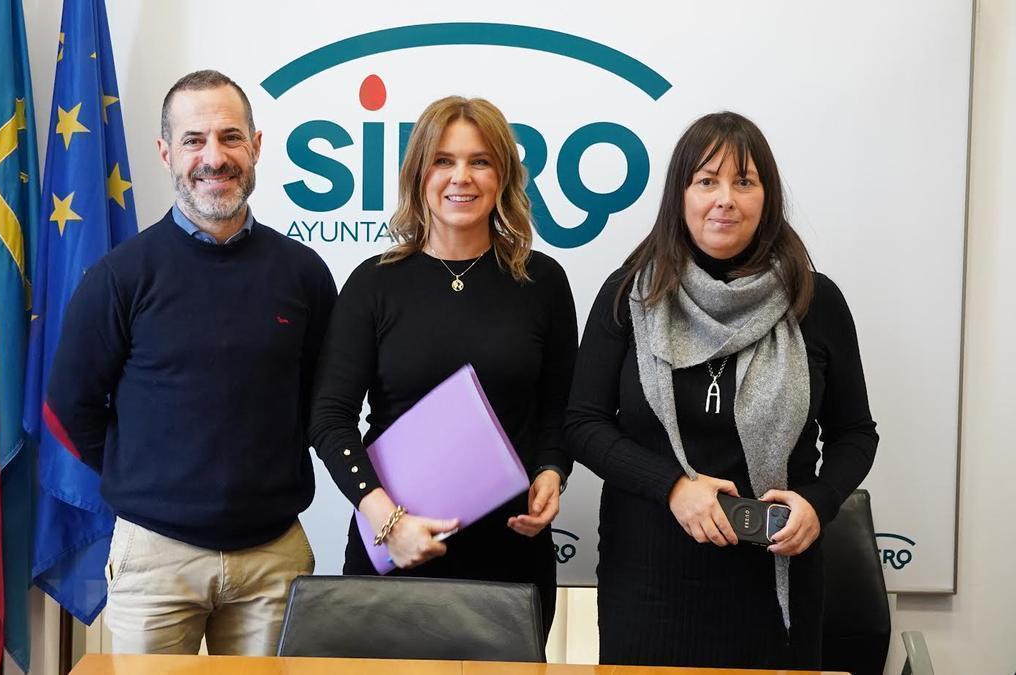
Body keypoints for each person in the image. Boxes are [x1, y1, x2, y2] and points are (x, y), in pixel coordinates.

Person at [565, 111, 878, 668]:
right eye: (706, 180)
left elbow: (855, 433)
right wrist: (672, 487)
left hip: (776, 581)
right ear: (680, 196)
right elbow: (583, 423)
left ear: (767, 197)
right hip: (648, 582)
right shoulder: (630, 295)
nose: (725, 200)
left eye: (744, 181)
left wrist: (819, 501)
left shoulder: (815, 301)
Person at [45, 70, 337, 656]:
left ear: (256, 146)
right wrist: (142, 475)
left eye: (230, 137)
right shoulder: (120, 276)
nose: (214, 157)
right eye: (194, 140)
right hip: (155, 560)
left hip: (273, 559)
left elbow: (322, 401)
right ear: (166, 152)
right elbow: (67, 408)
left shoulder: (303, 274)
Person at [308, 95, 577, 639]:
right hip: (394, 549)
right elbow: (330, 419)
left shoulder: (542, 282)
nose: (462, 177)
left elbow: (561, 409)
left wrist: (552, 471)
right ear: (418, 174)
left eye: (480, 161)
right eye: (443, 161)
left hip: (511, 554)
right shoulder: (374, 283)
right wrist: (388, 522)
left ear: (503, 176)